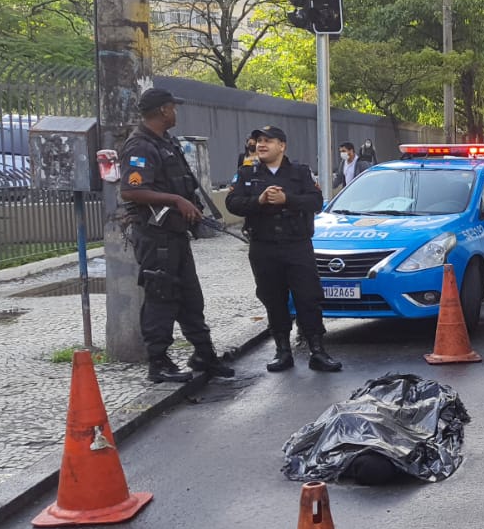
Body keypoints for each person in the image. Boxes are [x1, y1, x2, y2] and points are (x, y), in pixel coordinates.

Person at [118, 87, 235, 384]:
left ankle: (204, 355)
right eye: (173, 107)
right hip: (155, 237)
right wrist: (175, 200)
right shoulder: (140, 146)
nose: (176, 112)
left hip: (175, 236)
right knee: (162, 296)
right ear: (163, 111)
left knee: (190, 297)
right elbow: (131, 190)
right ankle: (158, 363)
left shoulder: (165, 142)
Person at [225, 125, 342, 373]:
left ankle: (317, 350)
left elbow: (316, 202)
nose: (261, 145)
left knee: (308, 297)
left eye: (268, 140)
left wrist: (287, 199)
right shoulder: (247, 173)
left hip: (296, 246)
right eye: (258, 141)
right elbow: (232, 203)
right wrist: (258, 201)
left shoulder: (299, 173)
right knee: (273, 299)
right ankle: (282, 351)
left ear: (282, 145)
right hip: (263, 247)